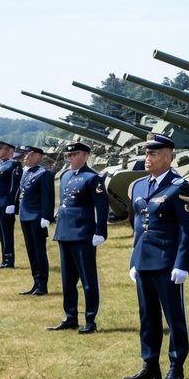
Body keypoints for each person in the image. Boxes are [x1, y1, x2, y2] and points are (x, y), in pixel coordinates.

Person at [125, 134, 189, 379]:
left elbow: (187, 230)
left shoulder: (179, 186)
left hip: (167, 263)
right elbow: (138, 227)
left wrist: (182, 264)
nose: (148, 158)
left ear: (168, 157)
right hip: (144, 261)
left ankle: (176, 367)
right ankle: (150, 364)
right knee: (148, 316)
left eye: (153, 154)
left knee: (174, 318)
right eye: (146, 153)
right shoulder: (141, 185)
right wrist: (134, 260)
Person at [47, 142, 109, 334]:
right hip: (65, 231)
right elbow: (64, 202)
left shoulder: (92, 178)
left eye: (75, 154)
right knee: (67, 280)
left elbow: (102, 207)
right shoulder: (66, 175)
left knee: (87, 279)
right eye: (69, 155)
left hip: (83, 233)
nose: (71, 158)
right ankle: (70, 317)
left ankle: (90, 319)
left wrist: (100, 232)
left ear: (86, 156)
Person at [14, 146, 54, 296]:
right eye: (25, 154)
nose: (25, 157)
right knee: (31, 251)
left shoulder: (43, 174)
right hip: (25, 216)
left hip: (37, 217)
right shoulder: (27, 172)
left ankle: (42, 284)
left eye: (29, 154)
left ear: (38, 156)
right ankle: (35, 282)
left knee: (39, 251)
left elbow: (48, 197)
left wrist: (46, 216)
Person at [0, 140, 22, 269]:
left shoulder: (14, 165)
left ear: (10, 151)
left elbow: (15, 186)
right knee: (1, 233)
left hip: (5, 204)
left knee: (7, 233)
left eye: (1, 148)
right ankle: (4, 259)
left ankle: (9, 259)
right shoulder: (0, 165)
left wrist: (11, 203)